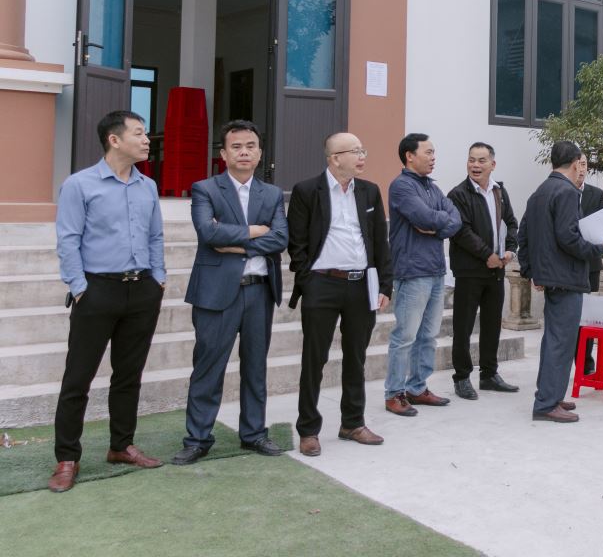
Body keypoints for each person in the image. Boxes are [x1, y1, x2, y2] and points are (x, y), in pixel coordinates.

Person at [49, 110, 167, 492]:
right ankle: (67, 458)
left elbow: (155, 236)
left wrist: (158, 278)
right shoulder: (79, 185)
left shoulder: (148, 186)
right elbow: (68, 239)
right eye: (139, 133)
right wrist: (79, 286)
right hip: (97, 291)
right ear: (114, 140)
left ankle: (121, 446)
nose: (147, 140)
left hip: (142, 290)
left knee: (129, 375)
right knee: (78, 378)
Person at [173, 120, 288, 465]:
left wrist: (235, 243)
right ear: (223, 154)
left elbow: (280, 239)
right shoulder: (205, 189)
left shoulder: (272, 194)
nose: (244, 152)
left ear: (260, 152)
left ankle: (254, 433)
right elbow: (209, 234)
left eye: (250, 146)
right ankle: (197, 439)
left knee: (255, 367)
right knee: (208, 367)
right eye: (236, 147)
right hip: (216, 293)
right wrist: (254, 233)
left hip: (259, 293)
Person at [287, 133, 393, 457]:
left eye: (363, 150)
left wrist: (385, 285)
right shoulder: (307, 191)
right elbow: (297, 243)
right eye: (355, 151)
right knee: (314, 359)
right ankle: (308, 429)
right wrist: (308, 280)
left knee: (356, 357)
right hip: (322, 284)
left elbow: (380, 241)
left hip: (361, 285)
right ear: (335, 158)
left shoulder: (369, 190)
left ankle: (352, 423)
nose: (362, 156)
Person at [518, 141, 603, 423]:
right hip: (566, 276)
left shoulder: (539, 192)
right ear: (574, 164)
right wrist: (599, 249)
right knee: (561, 342)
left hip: (551, 275)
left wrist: (531, 270)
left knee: (553, 340)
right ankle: (546, 403)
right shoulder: (567, 192)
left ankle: (551, 395)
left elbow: (524, 234)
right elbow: (569, 237)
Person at [384, 133, 462, 416]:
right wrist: (437, 221)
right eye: (428, 152)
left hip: (436, 270)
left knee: (428, 336)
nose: (433, 158)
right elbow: (425, 217)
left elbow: (456, 220)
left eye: (433, 152)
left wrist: (435, 226)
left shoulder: (432, 187)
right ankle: (394, 393)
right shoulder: (402, 186)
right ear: (410, 156)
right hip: (412, 271)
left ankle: (417, 388)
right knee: (405, 336)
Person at [446, 142, 520, 399]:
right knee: (463, 327)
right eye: (471, 160)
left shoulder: (500, 191)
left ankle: (489, 374)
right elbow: (461, 231)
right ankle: (462, 377)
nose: (475, 165)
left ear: (492, 164)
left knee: (492, 325)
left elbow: (511, 223)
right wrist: (487, 255)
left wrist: (510, 249)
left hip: (496, 270)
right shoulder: (458, 194)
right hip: (469, 271)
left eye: (481, 160)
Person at [576, 155, 603, 375]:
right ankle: (571, 359)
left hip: (591, 264)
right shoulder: (560, 193)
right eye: (577, 164)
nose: (581, 169)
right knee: (570, 317)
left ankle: (586, 363)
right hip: (567, 264)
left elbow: (601, 226)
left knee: (588, 317)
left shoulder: (596, 195)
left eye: (584, 164)